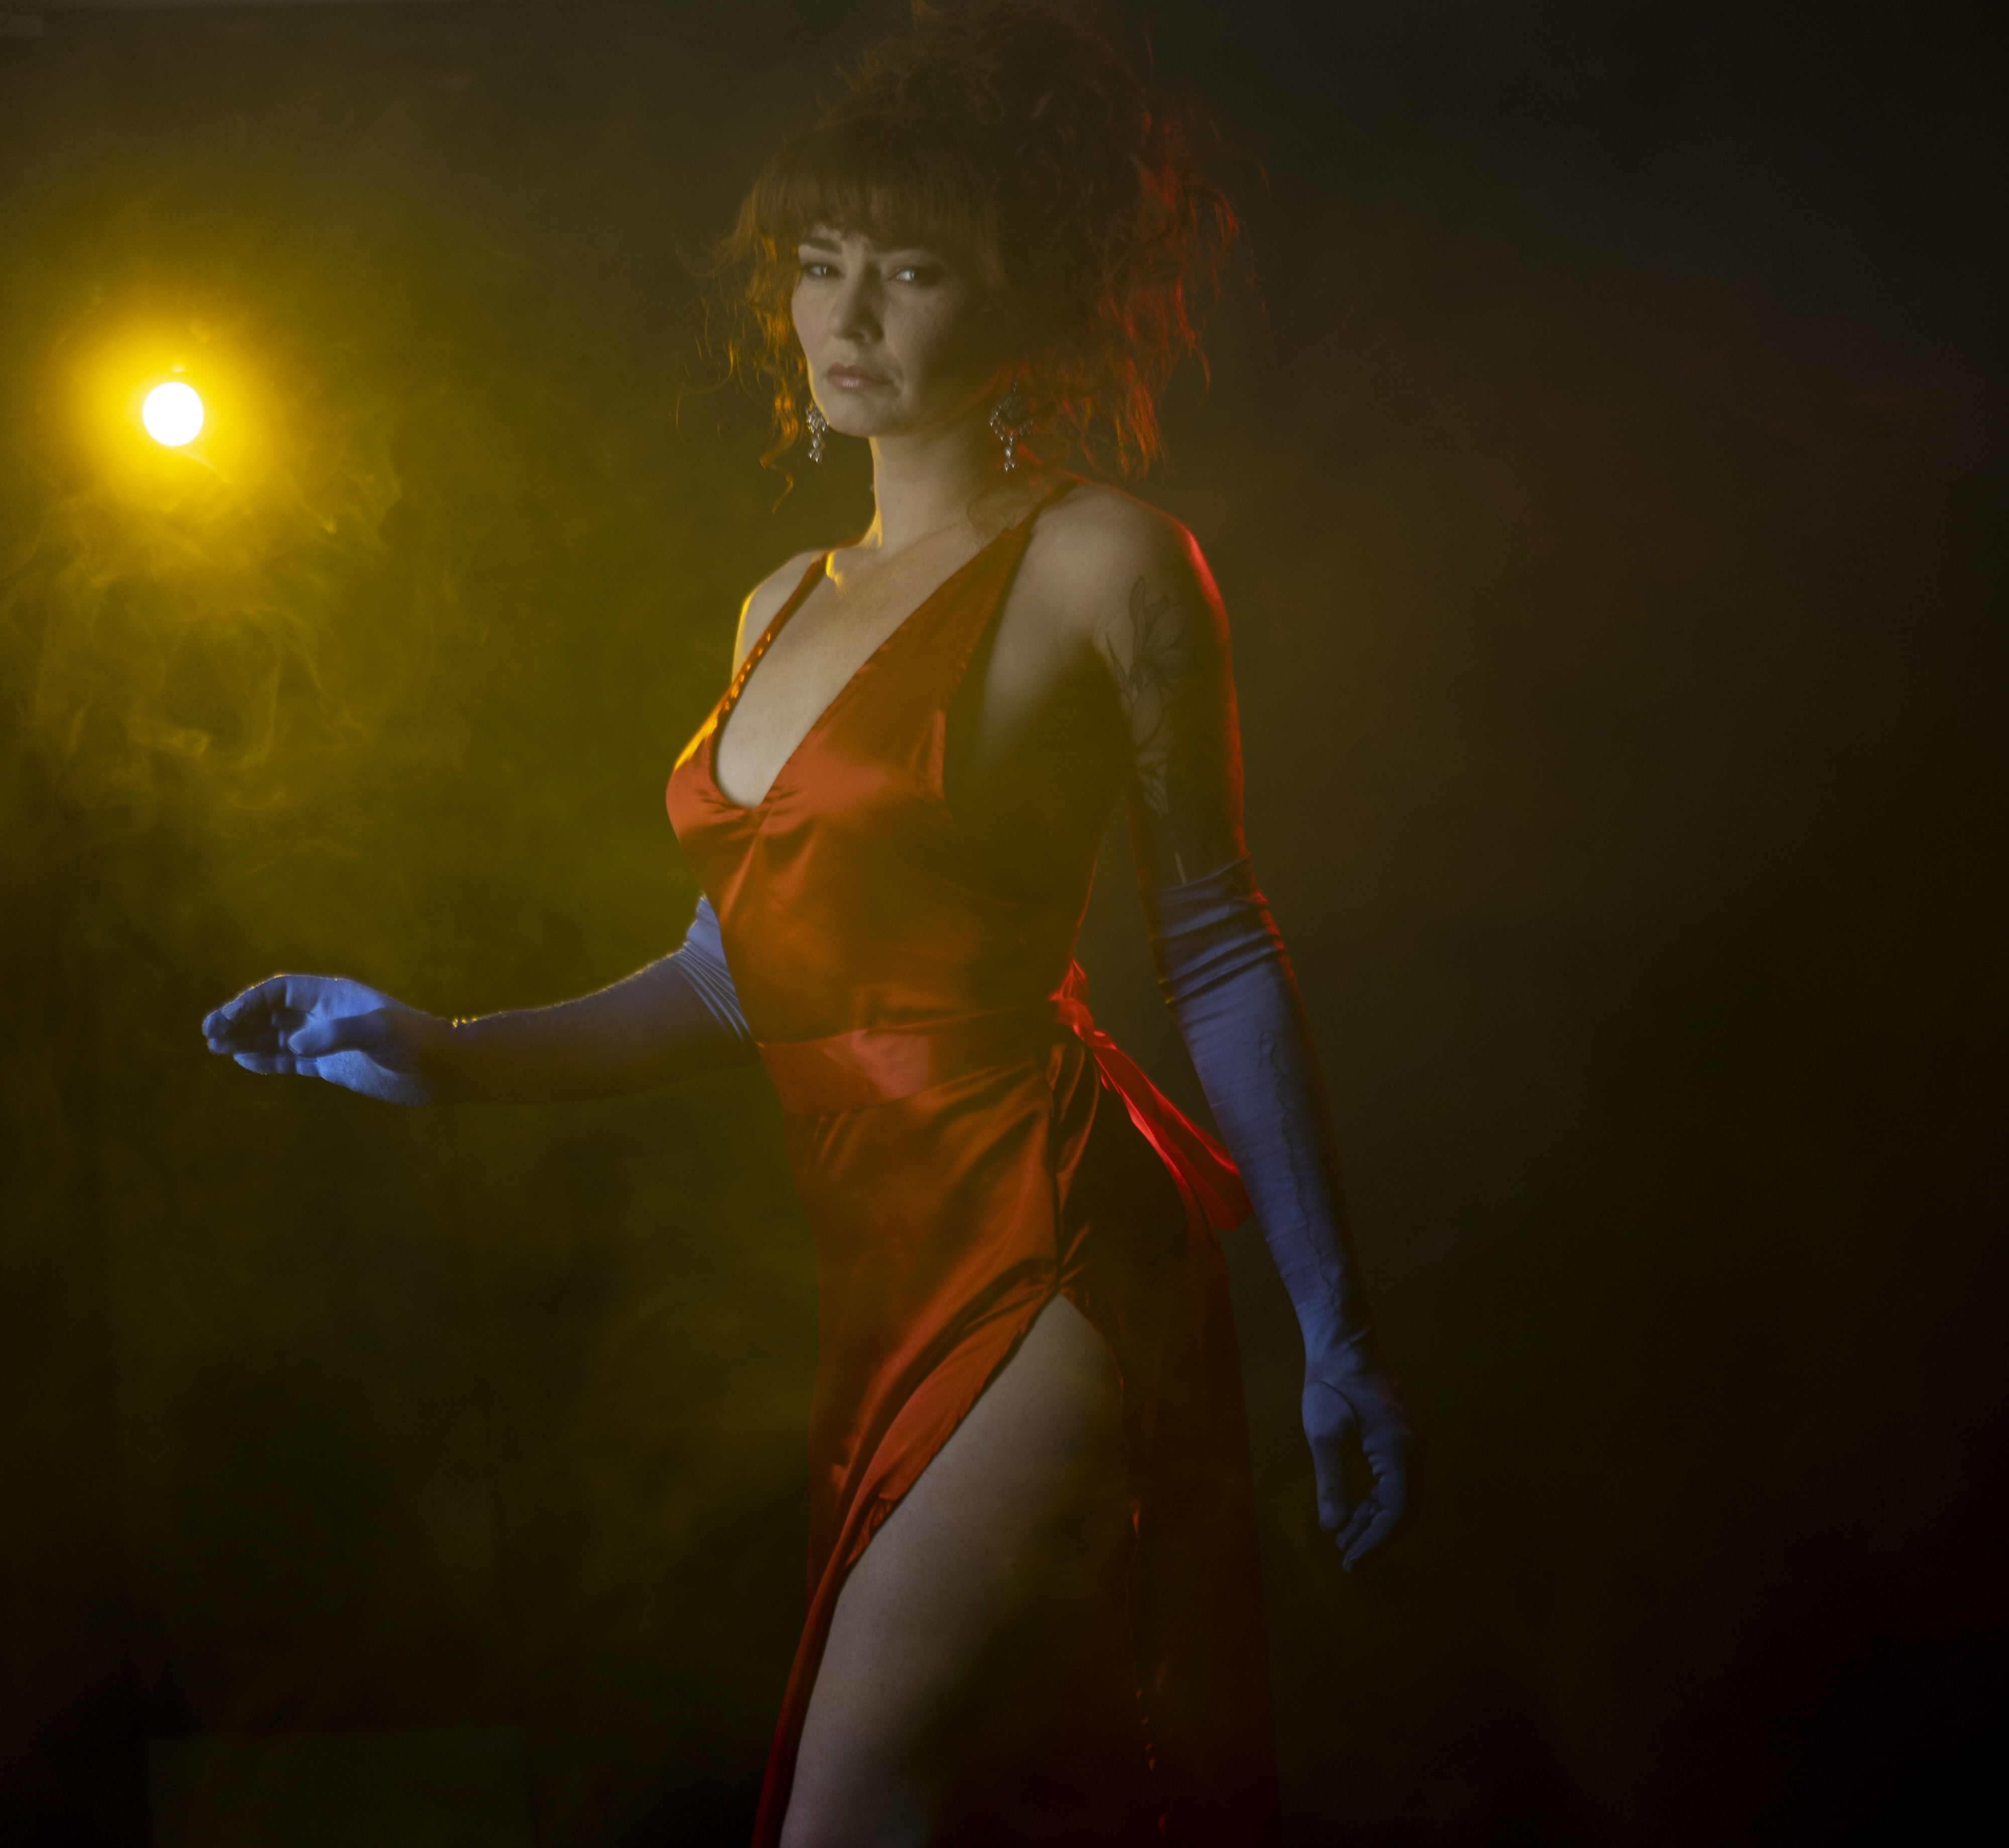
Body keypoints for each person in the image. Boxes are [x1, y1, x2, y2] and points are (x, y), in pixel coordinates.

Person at [202, 6, 1421, 1843]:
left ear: (1024, 302)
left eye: (910, 272)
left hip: (1042, 1224)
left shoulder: (1108, 559)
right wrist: (447, 1053)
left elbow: (1222, 946)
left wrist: (1337, 1334)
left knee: (856, 1812)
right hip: (873, 1262)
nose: (845, 315)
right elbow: (739, 976)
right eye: (819, 262)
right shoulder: (778, 601)